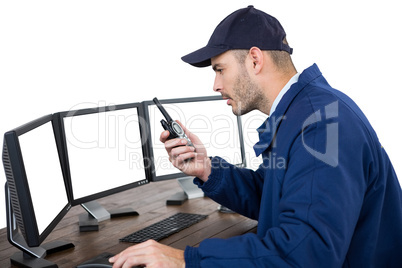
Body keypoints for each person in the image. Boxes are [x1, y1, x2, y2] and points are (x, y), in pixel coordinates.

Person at [110, 5, 402, 267]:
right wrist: (208, 169)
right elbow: (277, 196)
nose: (215, 84)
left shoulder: (318, 127)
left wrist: (186, 259)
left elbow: (305, 254)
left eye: (220, 69)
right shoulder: (304, 112)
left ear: (254, 59)